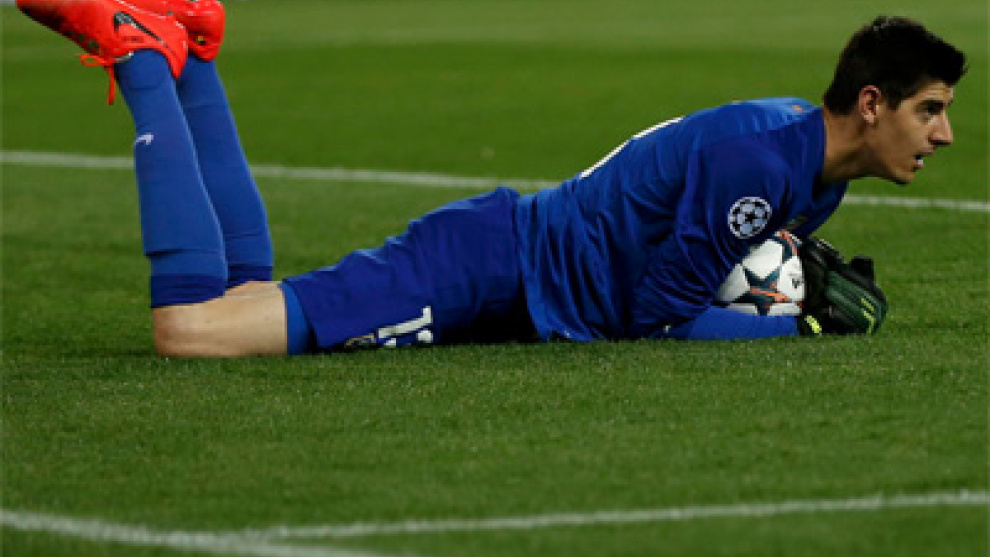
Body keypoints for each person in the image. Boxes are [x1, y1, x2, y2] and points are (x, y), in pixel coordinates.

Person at [15, 1, 967, 357]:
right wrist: (788, 329)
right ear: (871, 103)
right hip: (489, 266)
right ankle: (141, 53)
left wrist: (781, 283)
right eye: (930, 109)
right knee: (192, 332)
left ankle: (189, 45)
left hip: (513, 270)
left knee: (241, 297)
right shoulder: (762, 162)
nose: (945, 132)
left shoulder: (807, 163)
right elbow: (655, 316)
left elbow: (716, 250)